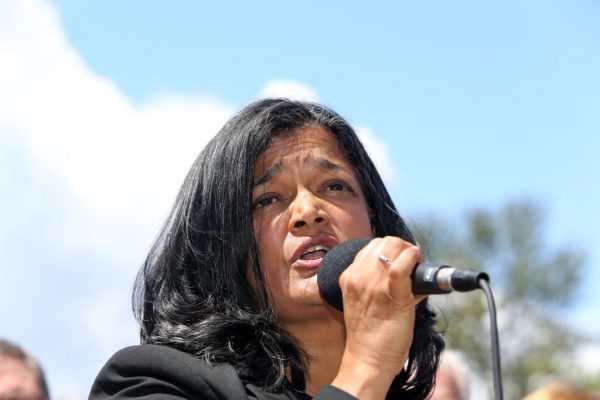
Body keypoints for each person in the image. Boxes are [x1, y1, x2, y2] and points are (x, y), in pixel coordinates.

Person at [89, 98, 444, 400]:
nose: (308, 212)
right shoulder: (150, 381)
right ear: (220, 249)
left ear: (376, 225)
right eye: (268, 199)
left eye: (335, 186)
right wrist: (367, 364)